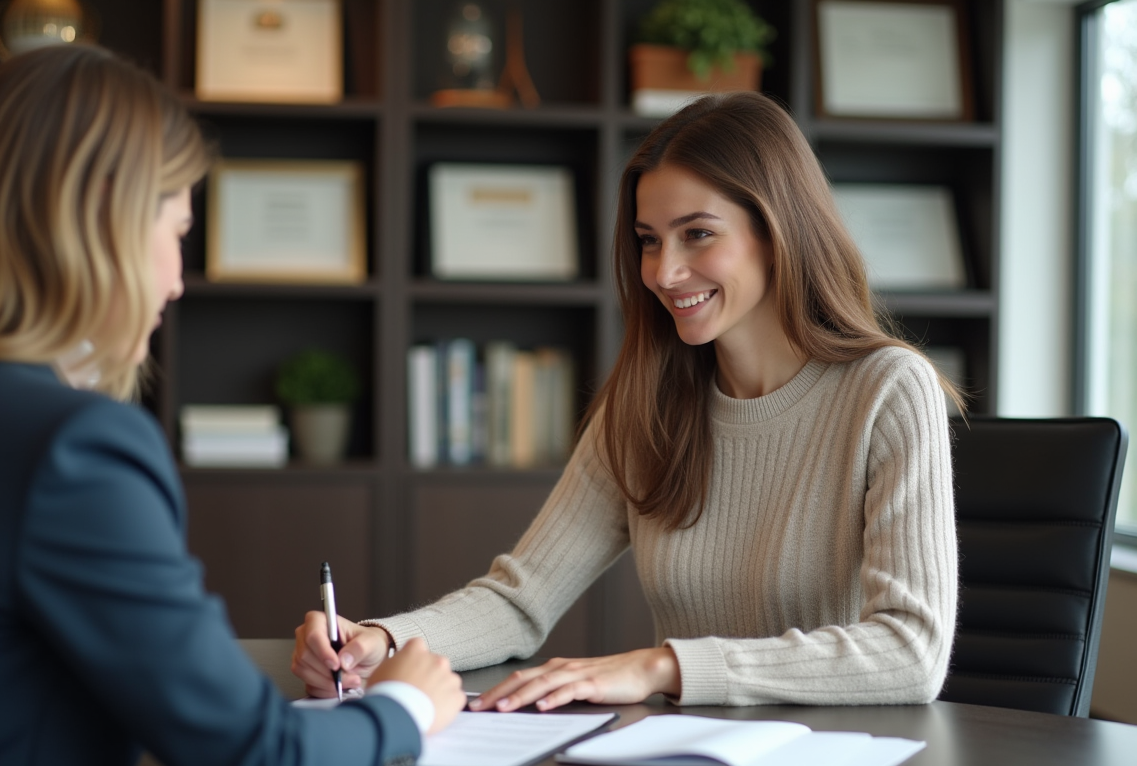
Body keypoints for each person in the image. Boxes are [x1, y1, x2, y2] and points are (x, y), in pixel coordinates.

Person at [293, 91, 959, 713]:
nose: (663, 272)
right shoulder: (647, 405)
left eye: (698, 233)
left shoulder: (889, 390)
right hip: (681, 763)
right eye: (648, 239)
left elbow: (912, 652)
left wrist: (663, 667)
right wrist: (378, 640)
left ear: (777, 230)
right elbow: (520, 602)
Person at [0, 45, 463, 766]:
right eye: (177, 230)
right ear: (104, 216)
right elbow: (263, 763)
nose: (178, 282)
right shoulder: (69, 449)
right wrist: (406, 706)